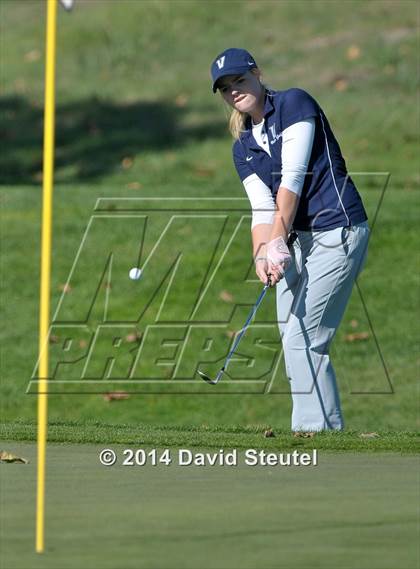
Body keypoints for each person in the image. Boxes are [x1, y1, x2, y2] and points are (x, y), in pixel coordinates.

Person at [210, 48, 370, 432]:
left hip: (338, 230)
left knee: (305, 336)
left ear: (257, 74)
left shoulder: (295, 104)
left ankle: (312, 432)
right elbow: (262, 210)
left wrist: (277, 241)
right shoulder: (243, 148)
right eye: (226, 88)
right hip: (297, 239)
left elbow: (292, 180)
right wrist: (262, 255)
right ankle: (324, 431)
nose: (235, 92)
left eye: (240, 81)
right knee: (292, 336)